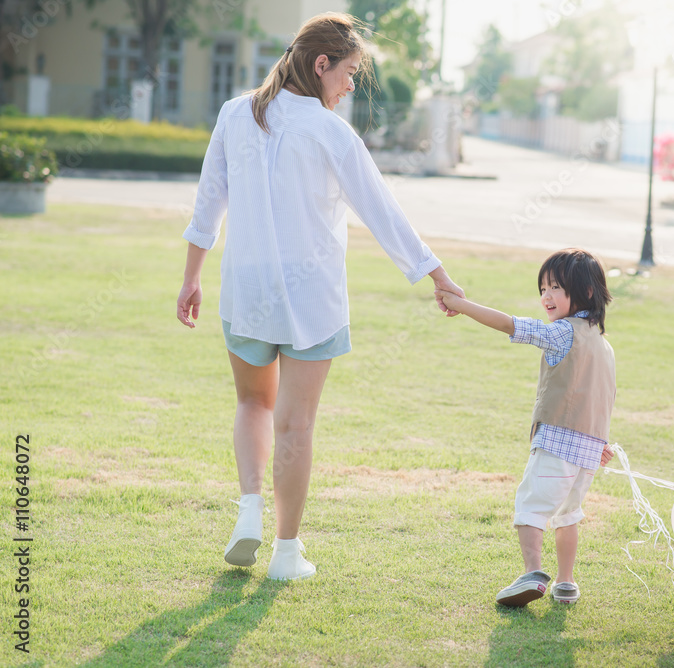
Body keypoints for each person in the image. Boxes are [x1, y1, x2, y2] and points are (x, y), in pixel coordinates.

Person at [176, 12, 463, 581]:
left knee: (252, 404)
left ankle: (249, 512)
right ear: (321, 64)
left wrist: (192, 278)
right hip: (313, 301)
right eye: (350, 72)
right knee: (296, 425)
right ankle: (285, 554)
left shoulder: (235, 113)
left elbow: (207, 203)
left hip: (247, 294)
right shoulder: (331, 132)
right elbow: (381, 209)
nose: (352, 84)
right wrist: (435, 274)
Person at [435, 249, 615, 606]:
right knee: (568, 515)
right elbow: (601, 397)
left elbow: (510, 324)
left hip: (558, 445)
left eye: (556, 287)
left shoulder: (563, 332)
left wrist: (461, 303)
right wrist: (602, 442)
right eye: (543, 288)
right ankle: (565, 582)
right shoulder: (604, 345)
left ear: (586, 293)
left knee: (531, 507)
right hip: (588, 453)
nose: (546, 296)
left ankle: (533, 573)